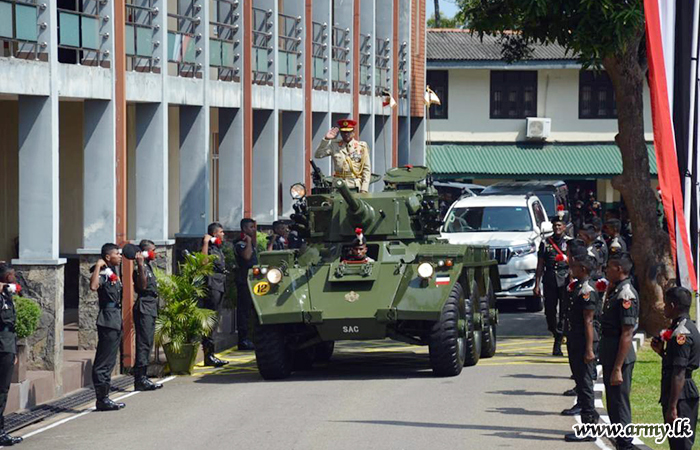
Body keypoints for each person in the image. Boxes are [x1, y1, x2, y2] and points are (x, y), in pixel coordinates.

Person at [651, 286, 699, 450]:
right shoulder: (684, 326)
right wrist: (662, 353)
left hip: (681, 395)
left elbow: (679, 372)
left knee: (681, 444)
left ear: (673, 306)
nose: (664, 307)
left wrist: (672, 407)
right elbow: (678, 363)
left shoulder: (681, 333)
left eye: (665, 304)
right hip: (681, 391)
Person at [600, 252, 638, 450]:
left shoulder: (626, 294)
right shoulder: (615, 290)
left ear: (619, 269)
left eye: (609, 267)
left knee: (620, 402)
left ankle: (625, 443)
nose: (606, 270)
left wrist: (617, 367)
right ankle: (619, 439)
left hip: (619, 356)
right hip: (610, 352)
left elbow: (626, 333)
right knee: (613, 402)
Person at [562, 256, 600, 441]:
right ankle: (591, 420)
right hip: (576, 342)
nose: (571, 269)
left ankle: (588, 428)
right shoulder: (578, 286)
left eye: (574, 266)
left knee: (585, 385)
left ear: (583, 268)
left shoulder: (587, 290)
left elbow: (588, 321)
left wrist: (589, 349)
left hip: (584, 343)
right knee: (581, 381)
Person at [90, 243, 126, 412]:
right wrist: (97, 266)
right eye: (116, 254)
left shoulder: (114, 272)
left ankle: (105, 397)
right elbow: (93, 286)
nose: (119, 256)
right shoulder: (104, 273)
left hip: (115, 319)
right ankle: (101, 399)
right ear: (107, 257)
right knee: (103, 361)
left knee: (110, 360)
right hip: (107, 319)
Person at [534, 217, 572, 356]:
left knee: (563, 312)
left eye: (559, 225)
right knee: (549, 312)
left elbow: (573, 263)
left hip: (565, 280)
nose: (557, 228)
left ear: (564, 227)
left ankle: (558, 342)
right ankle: (555, 331)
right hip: (549, 280)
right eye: (555, 225)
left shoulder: (569, 242)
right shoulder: (545, 243)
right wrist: (537, 284)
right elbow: (540, 264)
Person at [132, 240, 163, 391]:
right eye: (152, 250)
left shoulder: (148, 266)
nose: (155, 253)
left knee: (148, 342)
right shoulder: (140, 267)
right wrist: (139, 264)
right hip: (144, 306)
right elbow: (143, 286)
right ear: (144, 252)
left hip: (151, 305)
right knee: (143, 343)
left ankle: (143, 376)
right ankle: (140, 378)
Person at [314, 119, 371, 193]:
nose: (346, 134)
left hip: (354, 185)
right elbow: (318, 155)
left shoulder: (361, 147)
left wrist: (364, 188)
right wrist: (326, 139)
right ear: (340, 133)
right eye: (343, 132)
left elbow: (366, 169)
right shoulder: (334, 145)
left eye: (348, 132)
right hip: (338, 185)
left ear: (353, 132)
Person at [0, 264, 23, 446]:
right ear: (6, 276)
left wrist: (13, 349)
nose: (14, 277)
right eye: (12, 274)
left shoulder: (7, 295)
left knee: (3, 390)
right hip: (1, 346)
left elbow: (11, 325)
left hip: (6, 346)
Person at [201, 223, 230, 367]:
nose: (223, 234)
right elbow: (204, 262)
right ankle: (208, 356)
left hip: (220, 285)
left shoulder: (218, 249)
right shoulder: (210, 249)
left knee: (215, 320)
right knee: (211, 321)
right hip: (213, 286)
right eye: (221, 232)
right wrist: (206, 243)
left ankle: (211, 354)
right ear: (214, 234)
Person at [234, 218, 258, 351]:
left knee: (251, 311)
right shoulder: (240, 243)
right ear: (244, 229)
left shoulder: (250, 242)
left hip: (252, 280)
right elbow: (247, 256)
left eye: (254, 227)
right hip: (244, 281)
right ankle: (243, 340)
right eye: (250, 227)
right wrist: (248, 241)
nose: (253, 230)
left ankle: (250, 337)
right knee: (244, 312)